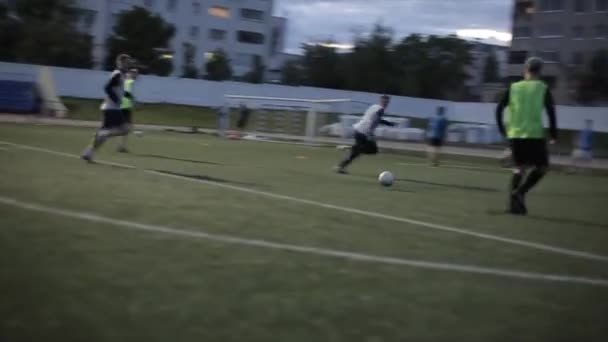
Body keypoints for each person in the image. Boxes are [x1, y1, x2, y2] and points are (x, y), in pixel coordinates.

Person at [495, 57, 558, 215]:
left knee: (518, 169)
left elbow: (498, 109)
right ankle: (521, 192)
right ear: (539, 72)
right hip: (535, 134)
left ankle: (513, 206)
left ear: (525, 70)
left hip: (515, 135)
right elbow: (551, 112)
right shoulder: (542, 87)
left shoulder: (514, 87)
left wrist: (502, 130)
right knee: (542, 167)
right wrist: (553, 134)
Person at [81, 54, 133, 162]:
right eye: (127, 62)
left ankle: (89, 152)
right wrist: (117, 100)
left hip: (111, 108)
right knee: (124, 129)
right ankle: (102, 136)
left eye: (129, 62)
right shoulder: (118, 74)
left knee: (106, 134)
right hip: (112, 108)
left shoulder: (122, 75)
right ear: (120, 62)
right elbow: (107, 87)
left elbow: (118, 90)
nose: (129, 64)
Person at [334, 95, 395, 174]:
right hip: (364, 132)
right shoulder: (381, 110)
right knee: (373, 150)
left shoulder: (374, 106)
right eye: (385, 102)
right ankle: (352, 149)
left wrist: (388, 123)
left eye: (387, 102)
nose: (386, 104)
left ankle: (341, 166)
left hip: (358, 130)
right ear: (381, 101)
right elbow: (374, 120)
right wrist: (370, 134)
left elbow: (373, 118)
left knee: (357, 152)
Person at [117, 68, 138, 153]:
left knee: (126, 127)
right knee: (126, 127)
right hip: (124, 107)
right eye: (135, 74)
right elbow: (126, 93)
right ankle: (121, 146)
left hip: (125, 107)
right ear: (130, 73)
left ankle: (121, 146)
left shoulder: (127, 81)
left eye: (137, 74)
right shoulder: (129, 82)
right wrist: (134, 100)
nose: (136, 76)